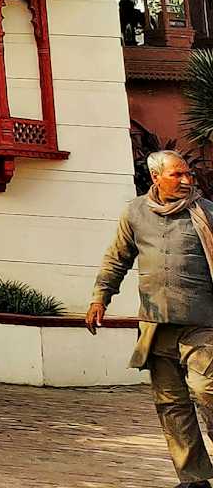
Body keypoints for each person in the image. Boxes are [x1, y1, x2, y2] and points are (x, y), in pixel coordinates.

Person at [91, 149, 213, 485]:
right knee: (171, 404)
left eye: (189, 174)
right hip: (155, 325)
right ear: (156, 177)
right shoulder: (135, 213)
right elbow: (117, 259)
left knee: (207, 392)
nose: (187, 181)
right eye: (178, 175)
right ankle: (193, 478)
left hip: (203, 323)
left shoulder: (206, 213)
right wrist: (101, 296)